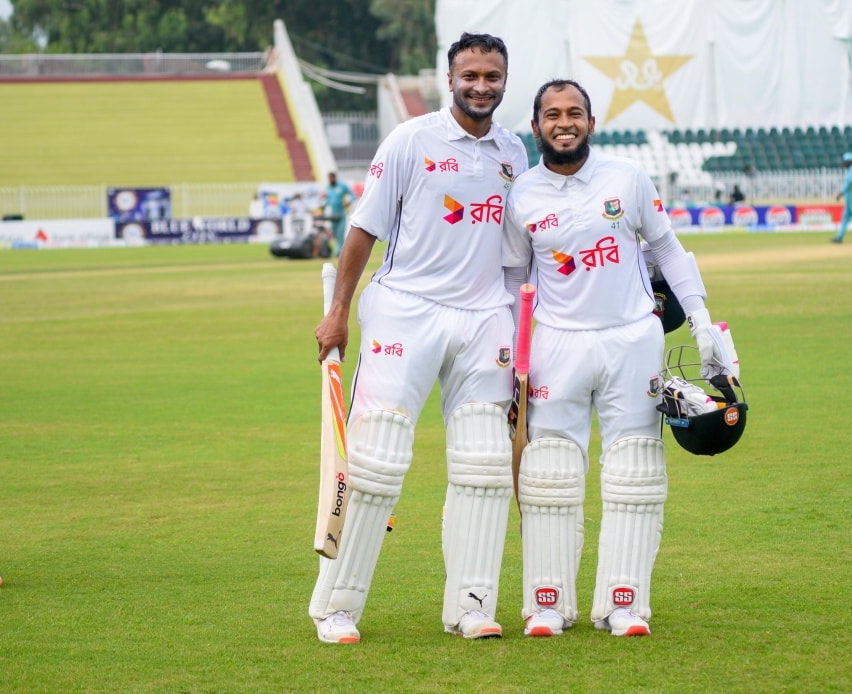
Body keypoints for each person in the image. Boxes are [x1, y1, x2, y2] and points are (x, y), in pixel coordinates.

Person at [309, 32, 528, 644]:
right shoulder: (411, 140)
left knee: (483, 467)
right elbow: (364, 228)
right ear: (449, 78)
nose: (480, 85)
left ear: (504, 80)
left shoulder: (514, 153)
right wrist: (338, 311)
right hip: (407, 310)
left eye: (491, 75)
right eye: (470, 75)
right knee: (377, 464)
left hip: (485, 316)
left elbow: (518, 254)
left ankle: (472, 604)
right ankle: (337, 606)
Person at [502, 79, 738, 638]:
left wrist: (702, 320)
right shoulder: (522, 195)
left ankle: (623, 601)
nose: (565, 122)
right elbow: (513, 279)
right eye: (553, 114)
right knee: (551, 473)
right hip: (557, 342)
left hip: (634, 339)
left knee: (635, 469)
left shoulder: (627, 179)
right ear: (535, 127)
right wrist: (514, 355)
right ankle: (547, 603)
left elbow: (667, 248)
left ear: (590, 122)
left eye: (575, 113)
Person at [323, 172, 354, 256]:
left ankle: (339, 252)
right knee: (335, 233)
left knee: (340, 233)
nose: (330, 180)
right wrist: (323, 205)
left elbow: (352, 194)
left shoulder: (342, 186)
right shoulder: (328, 188)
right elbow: (328, 201)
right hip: (332, 215)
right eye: (329, 178)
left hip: (341, 213)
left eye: (331, 178)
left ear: (334, 178)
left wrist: (348, 202)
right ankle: (340, 249)